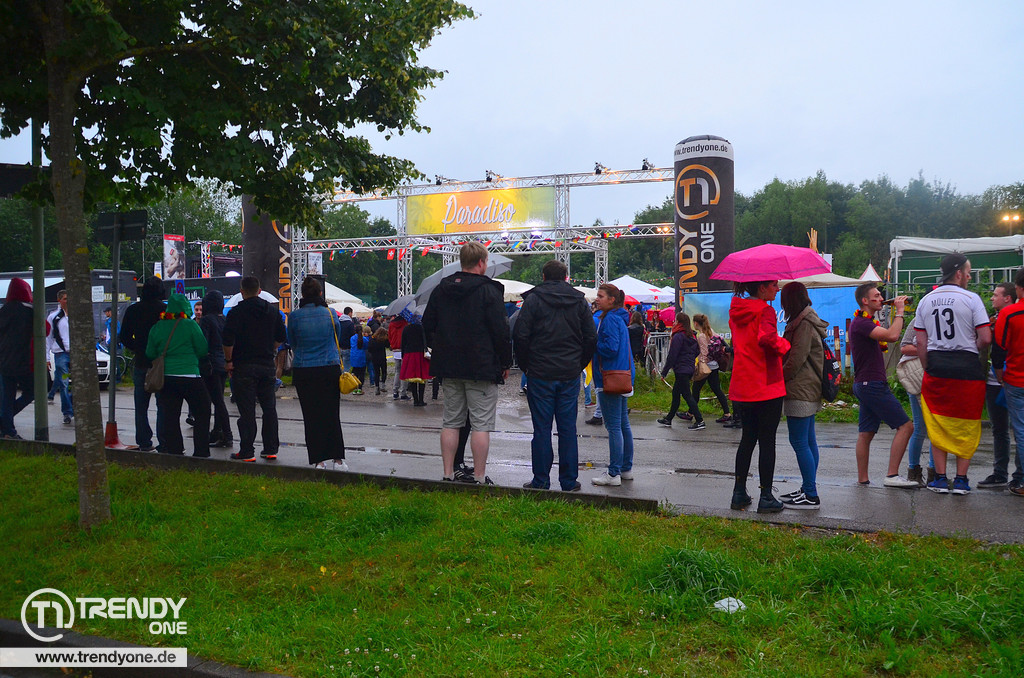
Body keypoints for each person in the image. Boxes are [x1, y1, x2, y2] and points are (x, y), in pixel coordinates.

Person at [422, 241, 512, 485]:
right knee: (481, 424)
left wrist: (439, 347)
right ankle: (480, 477)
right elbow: (501, 331)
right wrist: (505, 362)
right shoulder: (489, 290)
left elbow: (427, 324)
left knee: (451, 422)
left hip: (448, 365)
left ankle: (448, 473)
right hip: (481, 366)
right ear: (481, 263)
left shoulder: (442, 289)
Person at [514, 259, 596, 492]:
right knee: (568, 428)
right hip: (569, 372)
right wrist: (579, 363)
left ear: (543, 276)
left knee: (541, 428)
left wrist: (526, 365)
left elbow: (520, 335)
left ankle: (541, 480)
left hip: (540, 372)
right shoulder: (579, 301)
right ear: (566, 277)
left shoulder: (533, 300)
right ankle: (568, 481)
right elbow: (591, 336)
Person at [914, 254, 992, 494]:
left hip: (937, 366)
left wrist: (928, 367)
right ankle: (961, 480)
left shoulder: (925, 300)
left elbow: (921, 342)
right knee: (967, 423)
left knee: (938, 422)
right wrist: (971, 348)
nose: (969, 276)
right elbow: (986, 338)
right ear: (958, 273)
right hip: (967, 367)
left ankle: (939, 478)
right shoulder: (971, 299)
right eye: (968, 272)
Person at [728, 279, 789, 513]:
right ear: (762, 288)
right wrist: (785, 345)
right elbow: (767, 339)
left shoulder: (737, 311)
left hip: (743, 382)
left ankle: (739, 492)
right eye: (774, 285)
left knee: (747, 439)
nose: (777, 289)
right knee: (767, 441)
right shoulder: (765, 311)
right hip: (765, 383)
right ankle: (766, 495)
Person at [850, 282, 917, 488]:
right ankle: (892, 475)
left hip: (865, 383)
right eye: (877, 296)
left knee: (866, 433)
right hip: (872, 384)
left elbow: (886, 334)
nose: (881, 298)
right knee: (906, 426)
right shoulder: (862, 323)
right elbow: (892, 336)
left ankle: (863, 479)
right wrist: (900, 311)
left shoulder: (866, 322)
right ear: (865, 301)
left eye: (881, 295)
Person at [222, 276, 287, 462]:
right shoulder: (273, 312)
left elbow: (227, 340)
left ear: (242, 292)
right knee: (269, 408)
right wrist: (271, 348)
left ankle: (247, 450)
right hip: (266, 365)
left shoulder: (235, 313)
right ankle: (270, 449)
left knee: (247, 410)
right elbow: (281, 337)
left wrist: (229, 361)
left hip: (243, 366)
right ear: (259, 291)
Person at [288, 277, 347, 470]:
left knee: (311, 416)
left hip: (304, 369)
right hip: (329, 367)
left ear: (302, 295)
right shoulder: (330, 313)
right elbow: (337, 337)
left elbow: (293, 342)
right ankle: (338, 459)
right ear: (320, 293)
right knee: (331, 414)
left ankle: (318, 460)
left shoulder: (294, 316)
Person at [779, 282, 828, 509]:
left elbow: (796, 359)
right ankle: (808, 487)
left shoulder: (804, 325)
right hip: (809, 386)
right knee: (808, 441)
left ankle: (810, 494)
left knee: (799, 441)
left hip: (800, 388)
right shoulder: (806, 320)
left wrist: (777, 377)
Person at [145, 293, 211, 457]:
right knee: (202, 412)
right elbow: (202, 349)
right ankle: (201, 451)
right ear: (186, 307)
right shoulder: (190, 325)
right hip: (190, 376)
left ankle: (175, 451)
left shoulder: (158, 327)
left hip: (167, 378)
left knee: (171, 416)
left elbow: (150, 353)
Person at [978, 282, 1021, 489]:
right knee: (999, 429)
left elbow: (1001, 349)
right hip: (994, 381)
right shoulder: (991, 319)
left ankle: (1019, 475)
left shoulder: (1012, 317)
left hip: (1011, 379)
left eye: (996, 295)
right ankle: (1000, 473)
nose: (992, 298)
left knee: (1019, 429)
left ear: (1007, 298)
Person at [591, 283, 635, 486]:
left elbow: (610, 348)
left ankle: (613, 473)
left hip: (609, 377)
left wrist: (593, 342)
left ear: (612, 299)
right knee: (623, 425)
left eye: (601, 296)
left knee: (614, 426)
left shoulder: (608, 319)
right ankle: (625, 468)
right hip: (623, 375)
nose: (597, 299)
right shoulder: (620, 318)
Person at [119, 277, 167, 450]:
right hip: (160, 363)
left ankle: (144, 441)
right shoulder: (165, 310)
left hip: (141, 362)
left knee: (141, 406)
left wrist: (138, 348)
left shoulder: (133, 310)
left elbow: (124, 336)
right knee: (163, 405)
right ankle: (164, 441)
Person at [0, 278, 42, 439]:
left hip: (4, 360)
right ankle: (5, 422)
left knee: (7, 396)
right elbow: (44, 329)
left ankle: (7, 429)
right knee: (32, 391)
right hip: (23, 360)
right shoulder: (29, 310)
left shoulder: (3, 310)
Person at [995, 268, 1024, 497]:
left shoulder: (1010, 313)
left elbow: (999, 347)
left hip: (1016, 378)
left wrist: (998, 373)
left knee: (1021, 431)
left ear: (1018, 288)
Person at [897, 324, 935, 486]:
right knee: (920, 427)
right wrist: (929, 350)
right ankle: (914, 472)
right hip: (917, 377)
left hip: (937, 376)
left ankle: (935, 473)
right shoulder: (918, 320)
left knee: (936, 427)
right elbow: (904, 347)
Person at [657, 312, 704, 429]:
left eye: (676, 320)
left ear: (679, 322)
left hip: (681, 369)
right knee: (676, 394)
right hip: (688, 368)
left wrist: (664, 372)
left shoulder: (678, 336)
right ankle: (669, 418)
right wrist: (689, 359)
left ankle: (700, 420)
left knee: (687, 395)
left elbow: (672, 355)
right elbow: (697, 351)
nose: (674, 322)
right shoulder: (692, 336)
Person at [197, 290, 232, 448]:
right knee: (219, 399)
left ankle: (227, 434)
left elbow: (203, 343)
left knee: (216, 401)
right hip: (223, 363)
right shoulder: (224, 319)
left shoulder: (206, 320)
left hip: (210, 365)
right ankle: (218, 431)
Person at [691, 314, 732, 424]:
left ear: (696, 323)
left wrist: (700, 363)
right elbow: (721, 341)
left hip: (706, 367)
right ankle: (727, 413)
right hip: (714, 365)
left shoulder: (701, 336)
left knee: (696, 389)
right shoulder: (711, 331)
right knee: (717, 389)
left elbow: (704, 353)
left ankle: (691, 413)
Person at [45, 289, 74, 425]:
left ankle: (71, 405)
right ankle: (67, 412)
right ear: (59, 300)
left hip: (75, 354)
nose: (68, 301)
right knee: (64, 383)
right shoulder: (54, 317)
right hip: (61, 354)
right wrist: (47, 357)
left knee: (77, 383)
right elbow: (48, 338)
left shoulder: (75, 315)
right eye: (65, 299)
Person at [401, 316, 431, 406]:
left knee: (412, 377)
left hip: (409, 354)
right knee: (422, 377)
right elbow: (425, 341)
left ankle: (415, 400)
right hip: (420, 353)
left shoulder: (406, 329)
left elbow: (403, 343)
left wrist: (403, 355)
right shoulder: (420, 328)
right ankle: (421, 400)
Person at [388, 312, 410, 400]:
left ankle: (395, 391)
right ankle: (403, 393)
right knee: (404, 371)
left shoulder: (391, 324)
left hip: (395, 349)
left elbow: (389, 336)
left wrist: (392, 344)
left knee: (397, 371)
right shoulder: (405, 323)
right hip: (404, 349)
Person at [367, 326, 389, 396]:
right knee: (384, 371)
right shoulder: (384, 340)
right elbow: (388, 346)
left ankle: (377, 387)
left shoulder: (372, 339)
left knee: (377, 373)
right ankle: (383, 384)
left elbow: (369, 349)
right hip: (382, 357)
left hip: (375, 358)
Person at [349, 325, 369, 395]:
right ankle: (360, 389)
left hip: (353, 356)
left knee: (355, 373)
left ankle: (354, 388)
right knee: (361, 374)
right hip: (361, 356)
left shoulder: (352, 338)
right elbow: (366, 347)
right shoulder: (364, 339)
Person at [337, 306, 356, 373]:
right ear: (350, 313)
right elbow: (353, 335)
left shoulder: (338, 322)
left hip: (339, 346)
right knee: (346, 367)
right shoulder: (350, 323)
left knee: (339, 365)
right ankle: (345, 378)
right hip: (347, 347)